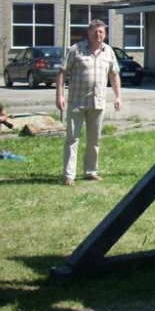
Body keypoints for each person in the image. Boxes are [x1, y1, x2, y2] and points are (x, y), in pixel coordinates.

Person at [56, 20, 121, 186]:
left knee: (94, 140)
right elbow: (62, 72)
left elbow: (114, 75)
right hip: (77, 102)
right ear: (89, 33)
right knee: (72, 139)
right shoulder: (76, 50)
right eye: (95, 32)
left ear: (105, 34)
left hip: (98, 103)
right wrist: (59, 95)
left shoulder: (108, 52)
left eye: (101, 32)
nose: (98, 35)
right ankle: (69, 175)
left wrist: (118, 96)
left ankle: (91, 171)